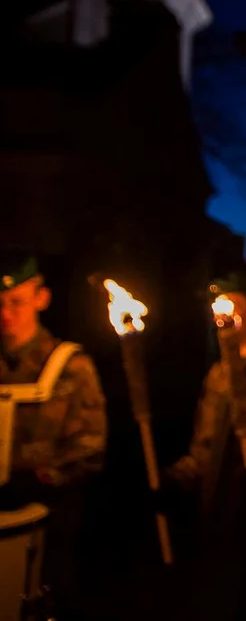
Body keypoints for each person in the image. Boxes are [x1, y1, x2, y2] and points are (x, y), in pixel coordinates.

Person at [163, 271, 246, 620]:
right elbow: (205, 442)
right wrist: (176, 480)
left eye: (235, 306)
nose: (223, 315)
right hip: (218, 506)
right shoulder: (219, 373)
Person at [0, 252, 107, 617]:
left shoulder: (69, 366)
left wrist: (43, 477)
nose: (6, 314)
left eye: (16, 302)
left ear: (41, 298)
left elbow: (92, 448)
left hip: (50, 527)